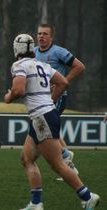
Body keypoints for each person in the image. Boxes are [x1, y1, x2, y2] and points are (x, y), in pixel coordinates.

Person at [4, 33, 99, 210]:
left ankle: (87, 196)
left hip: (41, 118)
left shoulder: (19, 65)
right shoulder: (42, 64)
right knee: (26, 158)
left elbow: (19, 89)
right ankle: (36, 203)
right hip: (45, 115)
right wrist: (51, 99)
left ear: (16, 49)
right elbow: (63, 82)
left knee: (57, 165)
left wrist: (8, 97)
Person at [35, 24, 84, 178]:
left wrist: (63, 81)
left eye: (45, 34)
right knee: (48, 130)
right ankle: (68, 161)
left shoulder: (59, 51)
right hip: (42, 99)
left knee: (44, 128)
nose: (41, 36)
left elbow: (79, 66)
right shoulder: (33, 53)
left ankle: (65, 156)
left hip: (58, 96)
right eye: (39, 33)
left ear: (51, 37)